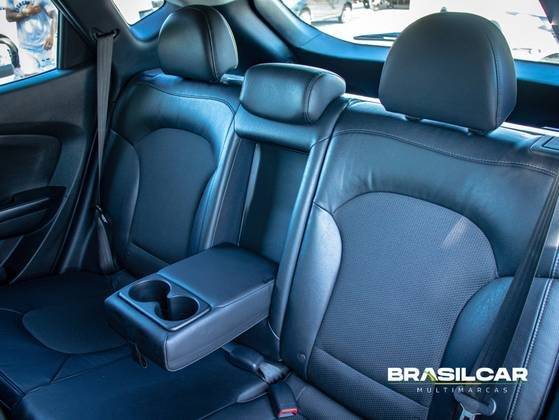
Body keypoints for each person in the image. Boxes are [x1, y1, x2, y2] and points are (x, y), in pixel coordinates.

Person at [5, 0, 56, 76]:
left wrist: (51, 35)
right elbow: (9, 17)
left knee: (50, 77)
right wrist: (25, 13)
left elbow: (55, 15)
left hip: (45, 47)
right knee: (32, 79)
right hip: (25, 49)